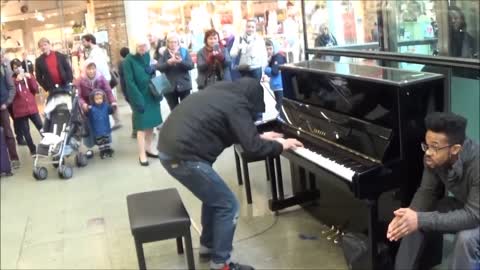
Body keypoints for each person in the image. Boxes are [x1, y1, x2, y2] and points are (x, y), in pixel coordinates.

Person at [157, 78, 304, 270]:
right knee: (229, 205)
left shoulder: (223, 93)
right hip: (183, 157)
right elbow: (253, 149)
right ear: (251, 100)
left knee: (214, 199)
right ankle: (220, 264)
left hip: (171, 150)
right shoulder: (237, 104)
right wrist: (280, 144)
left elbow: (234, 128)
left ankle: (207, 246)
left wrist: (259, 136)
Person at [387, 112, 479, 270]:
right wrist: (408, 219)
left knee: (466, 239)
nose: (428, 152)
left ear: (455, 149)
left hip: (475, 212)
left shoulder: (477, 165)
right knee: (413, 217)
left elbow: (473, 216)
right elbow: (426, 192)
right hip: (465, 204)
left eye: (435, 147)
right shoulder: (432, 157)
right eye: (427, 145)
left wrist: (420, 219)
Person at [123, 38, 163, 166]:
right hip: (139, 96)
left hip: (151, 94)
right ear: (134, 46)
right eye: (140, 46)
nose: (142, 48)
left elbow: (153, 71)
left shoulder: (147, 56)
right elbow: (129, 82)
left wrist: (153, 69)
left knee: (151, 125)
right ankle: (142, 154)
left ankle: (149, 148)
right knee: (141, 127)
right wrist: (137, 99)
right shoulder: (128, 60)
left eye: (144, 46)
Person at [76, 60, 116, 158]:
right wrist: (83, 104)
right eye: (89, 69)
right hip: (88, 108)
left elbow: (108, 90)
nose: (91, 71)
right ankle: (90, 148)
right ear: (85, 69)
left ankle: (106, 146)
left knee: (103, 126)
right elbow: (78, 95)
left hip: (101, 106)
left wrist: (113, 101)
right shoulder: (80, 80)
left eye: (93, 68)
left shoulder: (100, 78)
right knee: (90, 127)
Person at [82, 34, 122, 129]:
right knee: (107, 99)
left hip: (102, 79)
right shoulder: (97, 51)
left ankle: (115, 121)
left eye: (84, 41)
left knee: (105, 99)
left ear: (89, 41)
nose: (83, 44)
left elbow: (96, 67)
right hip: (104, 78)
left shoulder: (95, 52)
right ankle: (116, 120)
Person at [10, 58, 42, 155]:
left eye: (19, 66)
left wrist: (31, 78)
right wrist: (16, 82)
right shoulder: (11, 80)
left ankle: (48, 145)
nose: (18, 69)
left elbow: (36, 89)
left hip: (32, 108)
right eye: (15, 68)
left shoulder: (27, 77)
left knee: (41, 127)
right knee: (26, 132)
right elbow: (12, 95)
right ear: (12, 69)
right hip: (20, 111)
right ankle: (33, 150)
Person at [156, 32, 194, 111]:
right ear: (167, 43)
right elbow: (159, 67)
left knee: (186, 109)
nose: (173, 44)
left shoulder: (184, 51)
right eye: (170, 42)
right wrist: (168, 63)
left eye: (175, 42)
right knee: (174, 110)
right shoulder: (163, 53)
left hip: (184, 85)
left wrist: (181, 62)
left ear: (178, 42)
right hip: (169, 86)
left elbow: (191, 66)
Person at [0, 48, 20, 169]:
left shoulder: (5, 69)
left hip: (3, 106)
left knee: (8, 132)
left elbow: (12, 88)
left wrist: (6, 103)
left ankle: (14, 158)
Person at [87, 89, 114, 159]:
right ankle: (102, 151)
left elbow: (111, 111)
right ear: (93, 100)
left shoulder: (106, 106)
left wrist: (112, 106)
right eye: (96, 99)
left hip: (106, 128)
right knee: (100, 142)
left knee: (106, 140)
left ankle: (107, 150)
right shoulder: (91, 108)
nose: (99, 100)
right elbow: (89, 118)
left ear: (103, 98)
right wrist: (88, 110)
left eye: (100, 98)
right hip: (97, 130)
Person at [118, 47, 136, 139]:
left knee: (134, 110)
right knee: (136, 111)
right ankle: (135, 131)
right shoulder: (128, 63)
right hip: (130, 90)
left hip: (126, 90)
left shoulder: (121, 63)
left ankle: (136, 131)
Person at [264, 39, 287, 112]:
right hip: (276, 85)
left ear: (275, 47)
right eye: (267, 49)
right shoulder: (273, 57)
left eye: (270, 48)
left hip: (279, 85)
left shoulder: (278, 57)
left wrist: (266, 68)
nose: (268, 51)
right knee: (279, 104)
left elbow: (274, 72)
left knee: (280, 105)